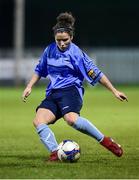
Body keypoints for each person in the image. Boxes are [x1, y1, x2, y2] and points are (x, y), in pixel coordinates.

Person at [22, 12, 128, 161]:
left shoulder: (77, 54)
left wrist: (114, 90)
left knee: (71, 119)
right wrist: (29, 87)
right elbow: (39, 70)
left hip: (71, 91)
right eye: (58, 40)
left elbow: (96, 74)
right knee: (38, 121)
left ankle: (105, 141)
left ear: (71, 37)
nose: (62, 43)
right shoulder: (49, 50)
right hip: (53, 93)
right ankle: (55, 153)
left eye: (65, 40)